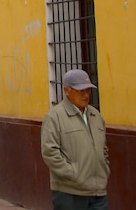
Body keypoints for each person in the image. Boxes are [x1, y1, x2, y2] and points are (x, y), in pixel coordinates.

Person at [41, 69, 109, 209]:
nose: (85, 95)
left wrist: (104, 169)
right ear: (67, 91)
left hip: (98, 190)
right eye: (80, 91)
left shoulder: (96, 115)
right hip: (69, 192)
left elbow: (103, 148)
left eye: (88, 90)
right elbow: (49, 152)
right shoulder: (55, 117)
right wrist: (73, 174)